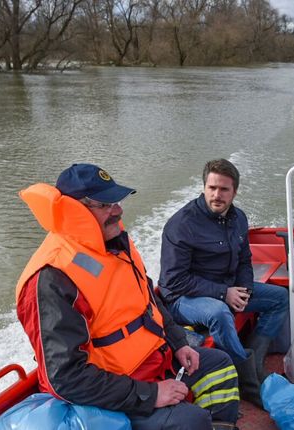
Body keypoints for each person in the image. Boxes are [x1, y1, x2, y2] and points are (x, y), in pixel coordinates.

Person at [15, 164, 239, 430]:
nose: (118, 210)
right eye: (106, 204)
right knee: (191, 421)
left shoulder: (117, 243)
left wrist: (179, 343)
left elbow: (148, 301)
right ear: (76, 210)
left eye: (117, 201)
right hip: (110, 393)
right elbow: (65, 378)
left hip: (154, 361)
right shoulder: (51, 277)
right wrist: (150, 395)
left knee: (221, 366)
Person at [159, 158, 290, 408]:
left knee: (279, 298)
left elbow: (244, 260)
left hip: (225, 286)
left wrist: (244, 290)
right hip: (182, 298)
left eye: (224, 189)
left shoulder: (238, 218)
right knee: (219, 313)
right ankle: (249, 383)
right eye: (212, 188)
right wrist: (223, 294)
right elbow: (174, 280)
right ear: (204, 187)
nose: (217, 195)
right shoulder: (182, 224)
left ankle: (254, 359)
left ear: (234, 192)